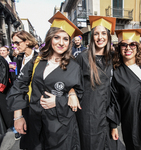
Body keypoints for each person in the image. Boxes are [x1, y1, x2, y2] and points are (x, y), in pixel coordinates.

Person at [71, 16, 141, 150]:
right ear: (92, 36)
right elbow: (71, 80)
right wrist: (71, 93)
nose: (100, 37)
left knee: (109, 143)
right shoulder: (83, 57)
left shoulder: (114, 57)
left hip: (107, 111)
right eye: (96, 33)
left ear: (108, 36)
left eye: (104, 33)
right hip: (89, 112)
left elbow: (130, 55)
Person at [7, 11, 84, 149]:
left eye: (66, 39)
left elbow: (79, 95)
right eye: (56, 37)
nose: (61, 42)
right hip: (35, 123)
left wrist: (63, 98)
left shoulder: (74, 67)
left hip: (60, 127)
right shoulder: (37, 61)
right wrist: (18, 117)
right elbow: (19, 87)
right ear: (50, 38)